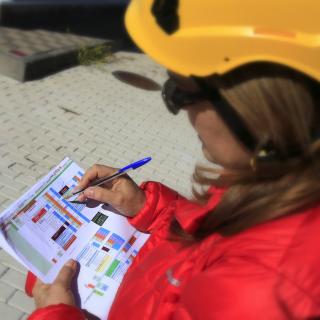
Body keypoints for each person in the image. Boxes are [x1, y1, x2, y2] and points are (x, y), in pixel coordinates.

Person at [26, 0, 320, 319]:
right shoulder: (275, 193)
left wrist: (57, 314)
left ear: (258, 109)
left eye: (180, 91)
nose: (181, 111)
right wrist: (150, 210)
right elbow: (204, 249)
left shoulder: (261, 293)